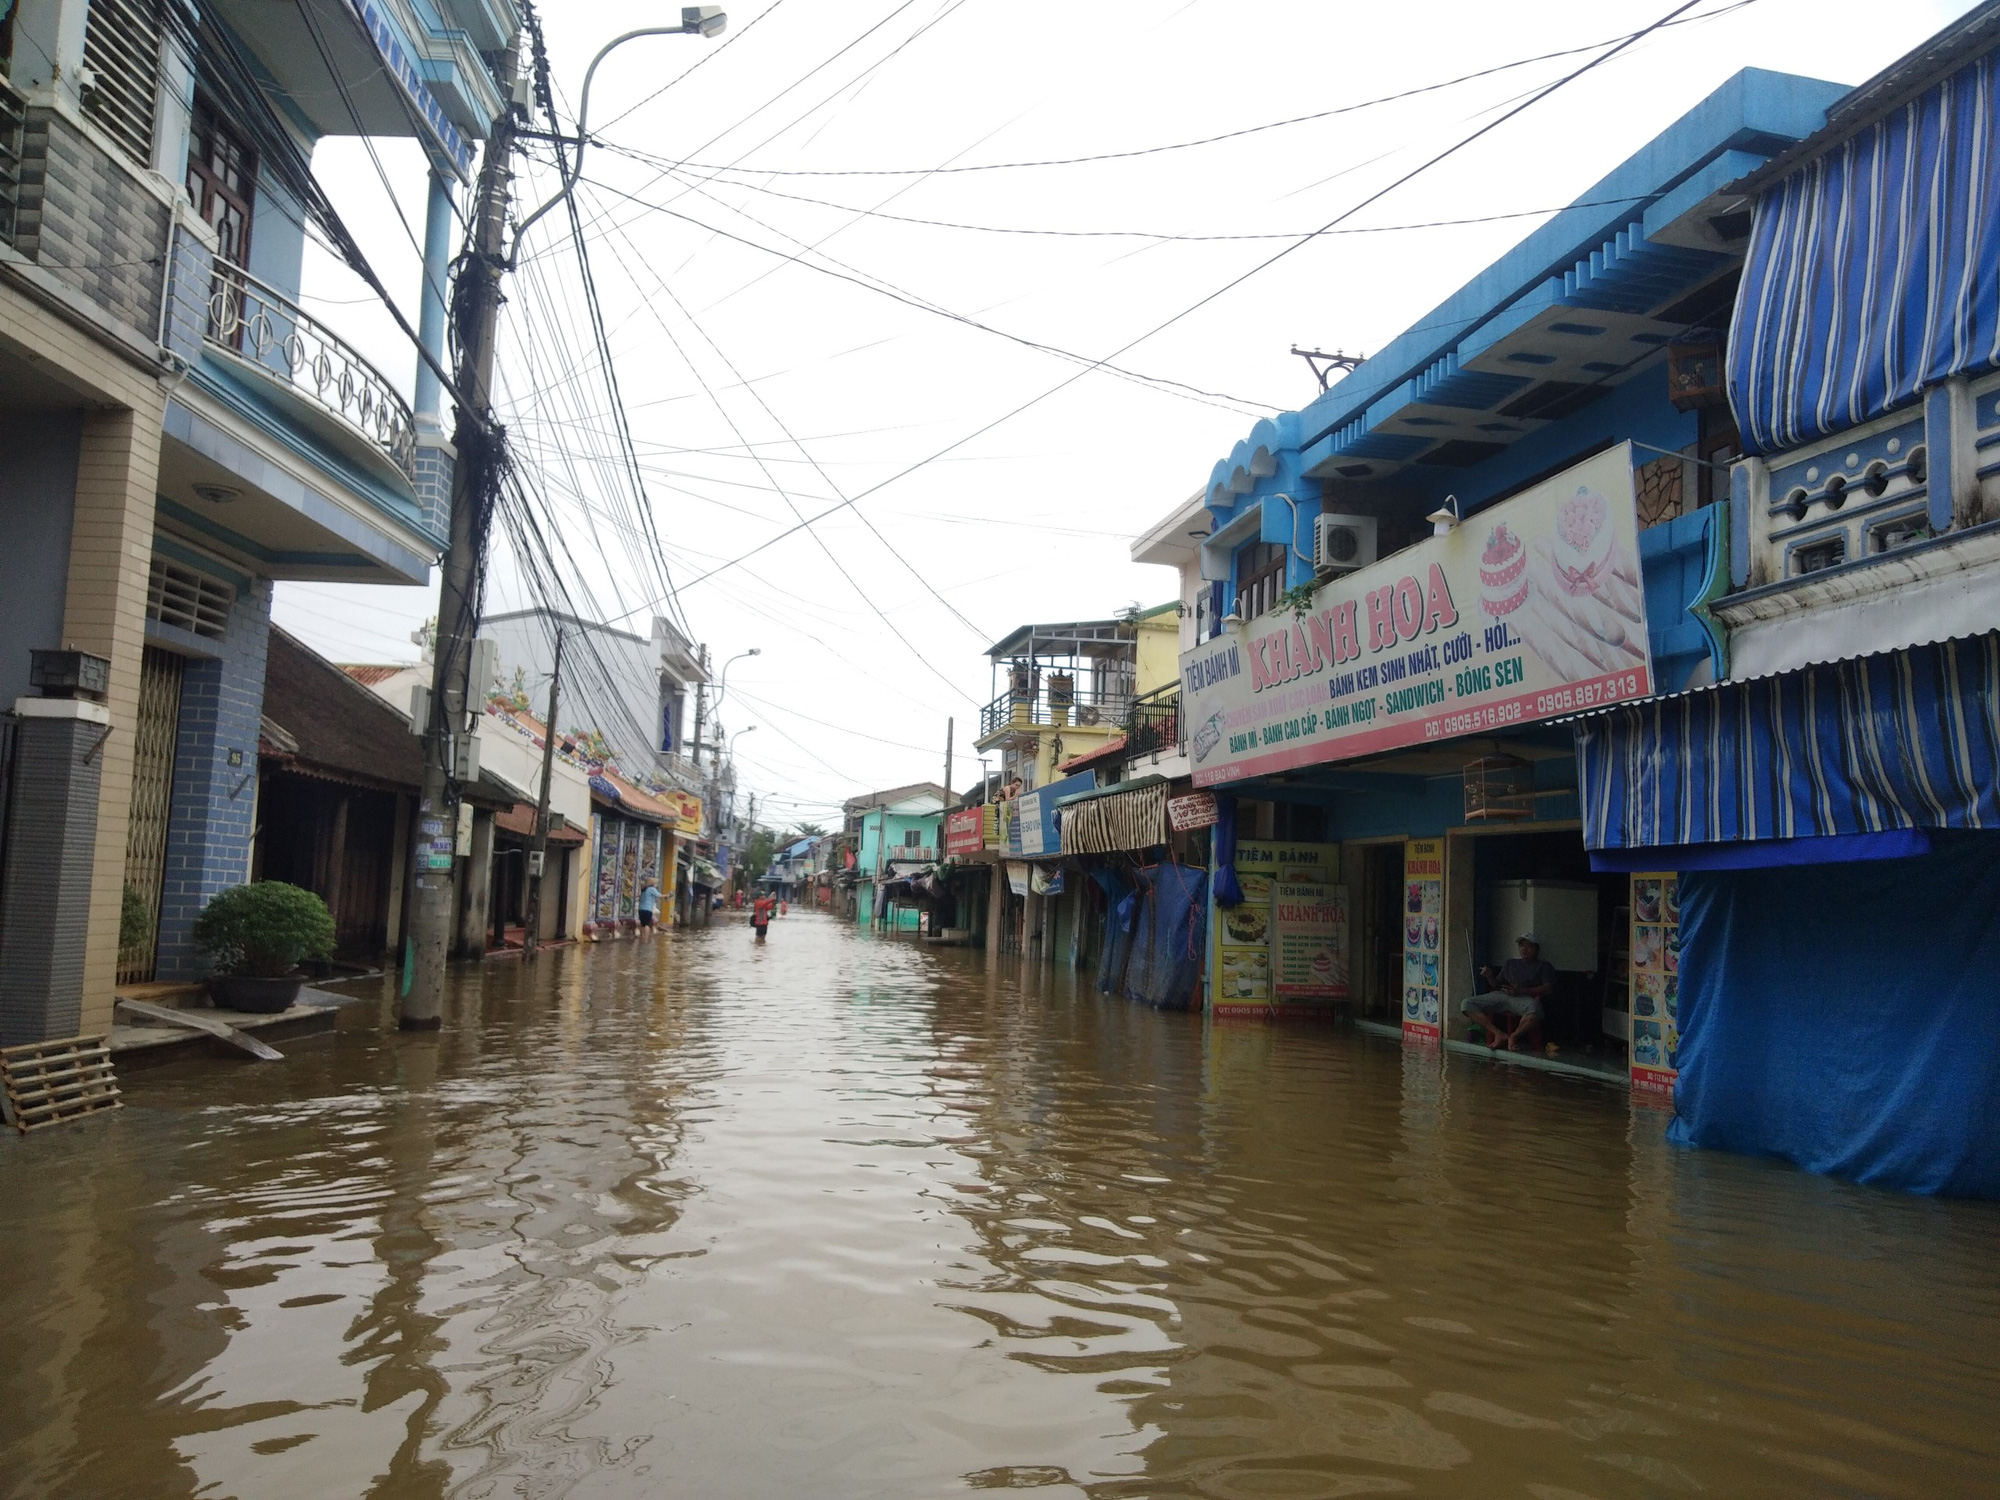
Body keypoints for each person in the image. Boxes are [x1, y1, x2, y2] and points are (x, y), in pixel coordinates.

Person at [1465, 933, 1557, 1050]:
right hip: (1503, 995)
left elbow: (1548, 988)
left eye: (1529, 946)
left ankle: (1514, 1036)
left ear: (1536, 949)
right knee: (1467, 1003)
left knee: (1535, 1010)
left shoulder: (1543, 966)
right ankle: (1498, 1034)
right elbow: (1497, 985)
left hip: (1524, 998)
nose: (1524, 949)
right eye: (1522, 946)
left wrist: (1522, 990)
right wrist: (1489, 976)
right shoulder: (1510, 963)